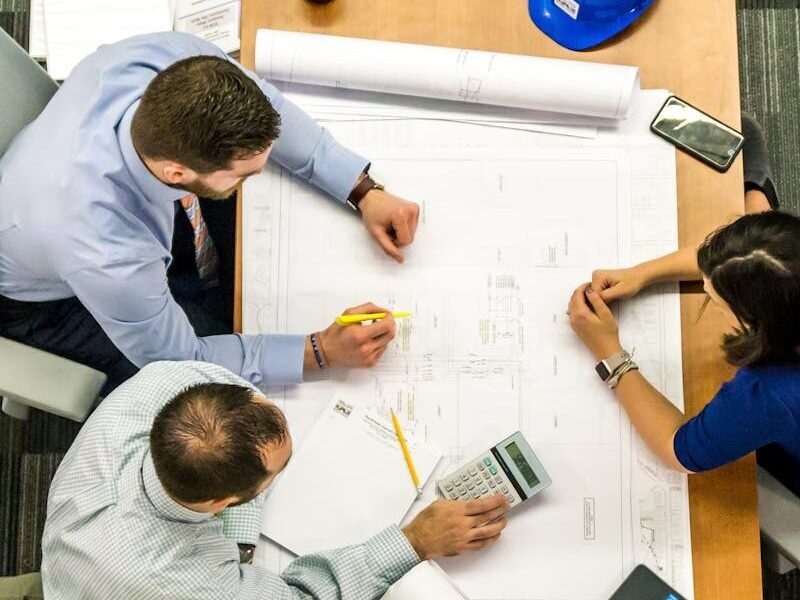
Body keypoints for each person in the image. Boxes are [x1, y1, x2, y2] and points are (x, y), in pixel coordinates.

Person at [0, 32, 420, 393]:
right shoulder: (108, 253)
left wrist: (361, 189)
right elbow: (181, 359)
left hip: (49, 188)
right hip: (44, 298)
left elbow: (268, 106)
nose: (260, 172)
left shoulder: (172, 61)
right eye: (245, 173)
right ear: (176, 172)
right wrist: (319, 351)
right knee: (205, 353)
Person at [41, 361, 509, 599]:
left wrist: (241, 546)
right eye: (278, 473)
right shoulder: (195, 585)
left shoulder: (165, 381)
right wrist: (413, 541)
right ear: (222, 502)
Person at [567, 210, 800, 495]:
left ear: (752, 323)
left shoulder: (768, 393)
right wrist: (641, 274)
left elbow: (677, 450)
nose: (705, 289)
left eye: (715, 301)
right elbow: (739, 260)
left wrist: (608, 351)